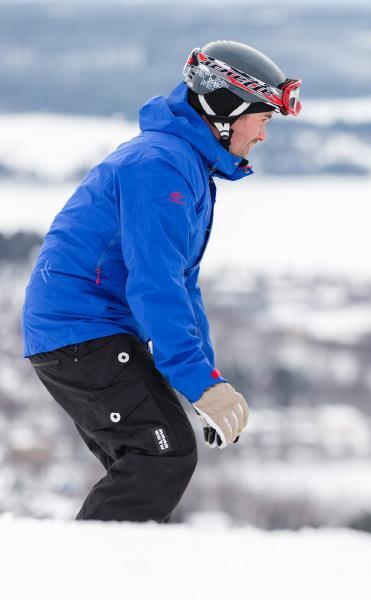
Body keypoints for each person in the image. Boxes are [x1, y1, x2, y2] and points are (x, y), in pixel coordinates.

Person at [21, 40, 301, 522]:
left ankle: (106, 570)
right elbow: (156, 286)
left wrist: (208, 381)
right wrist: (199, 384)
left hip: (89, 329)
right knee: (161, 453)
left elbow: (182, 287)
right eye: (264, 118)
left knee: (151, 454)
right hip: (79, 331)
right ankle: (82, 575)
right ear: (227, 109)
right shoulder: (161, 166)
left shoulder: (185, 165)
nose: (263, 135)